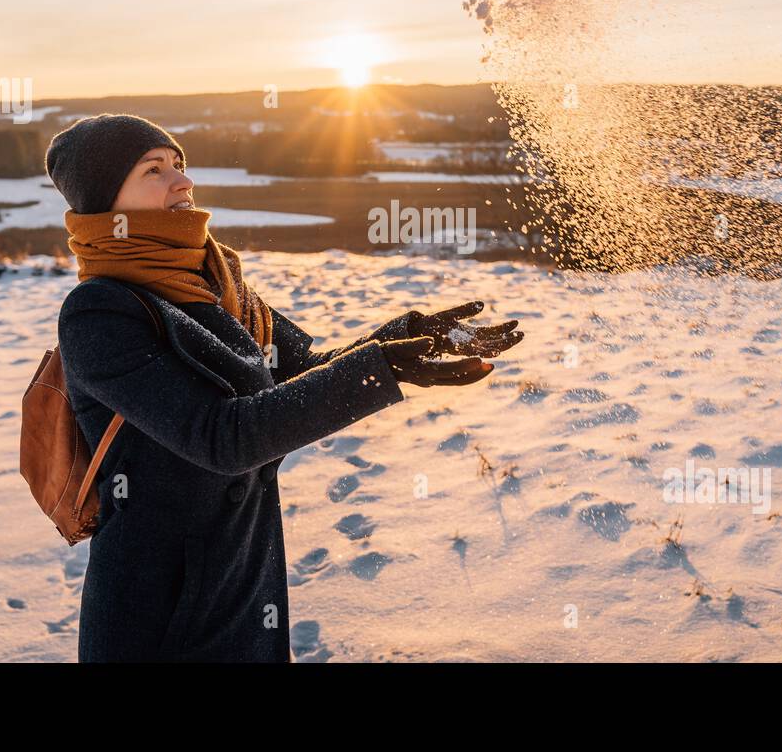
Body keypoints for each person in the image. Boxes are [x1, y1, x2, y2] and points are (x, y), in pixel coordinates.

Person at [44, 113, 524, 662]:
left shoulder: (215, 281)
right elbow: (222, 437)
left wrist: (405, 339)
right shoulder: (101, 310)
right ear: (108, 203)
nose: (182, 182)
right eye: (154, 170)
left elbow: (303, 371)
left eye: (179, 164)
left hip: (243, 583)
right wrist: (382, 369)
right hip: (159, 610)